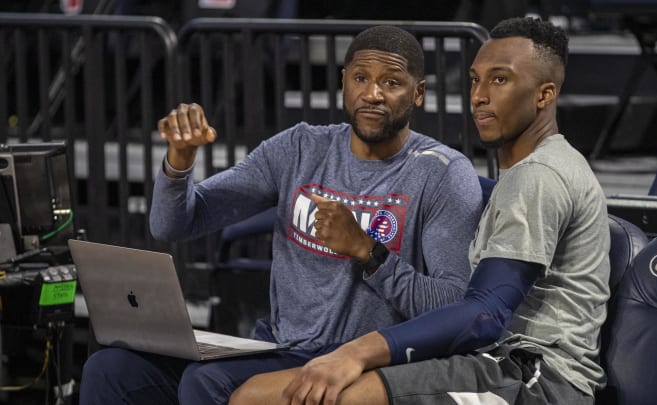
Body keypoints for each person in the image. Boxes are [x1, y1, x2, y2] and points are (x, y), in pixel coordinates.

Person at [78, 25, 485, 405]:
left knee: (204, 384)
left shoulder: (442, 173)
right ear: (344, 81)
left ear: (419, 93)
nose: (373, 93)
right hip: (278, 348)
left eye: (391, 83)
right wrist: (179, 161)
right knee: (111, 370)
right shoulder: (299, 147)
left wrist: (367, 251)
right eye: (361, 78)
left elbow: (453, 305)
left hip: (355, 361)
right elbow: (174, 223)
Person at [230, 16, 610, 405]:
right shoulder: (525, 174)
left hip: (536, 377)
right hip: (493, 362)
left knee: (277, 396)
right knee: (262, 391)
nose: (479, 95)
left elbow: (484, 314)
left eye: (500, 80)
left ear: (545, 95)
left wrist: (356, 352)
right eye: (475, 80)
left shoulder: (540, 176)